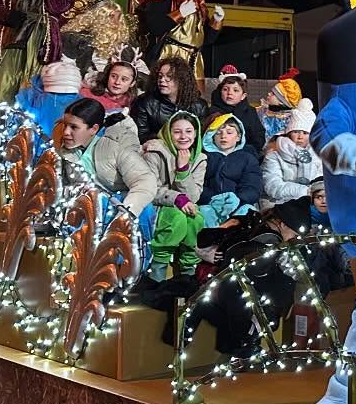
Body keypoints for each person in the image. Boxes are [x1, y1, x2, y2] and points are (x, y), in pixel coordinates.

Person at [58, 98, 159, 223]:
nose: (66, 132)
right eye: (65, 125)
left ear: (94, 129)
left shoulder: (116, 147)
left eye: (74, 127)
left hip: (117, 209)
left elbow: (145, 181)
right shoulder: (65, 152)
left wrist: (125, 214)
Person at [141, 112, 207, 280]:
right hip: (154, 205)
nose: (183, 136)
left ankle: (188, 272)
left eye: (189, 131)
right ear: (169, 133)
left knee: (196, 219)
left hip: (183, 204)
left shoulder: (199, 158)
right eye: (177, 132)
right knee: (176, 218)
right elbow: (148, 189)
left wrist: (183, 170)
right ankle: (157, 271)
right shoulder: (155, 152)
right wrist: (176, 198)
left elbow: (193, 196)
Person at [136, 0, 224, 83]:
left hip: (194, 60)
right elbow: (155, 28)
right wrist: (180, 13)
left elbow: (205, 40)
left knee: (194, 97)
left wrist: (216, 22)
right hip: (171, 56)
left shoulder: (199, 6)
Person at [261, 100, 321, 227]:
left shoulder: (318, 156)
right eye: (296, 131)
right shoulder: (274, 155)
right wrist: (306, 191)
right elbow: (273, 186)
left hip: (311, 204)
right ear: (289, 132)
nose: (300, 137)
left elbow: (322, 182)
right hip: (280, 205)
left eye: (305, 133)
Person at [198, 113, 262, 226]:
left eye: (229, 132)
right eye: (218, 132)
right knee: (203, 213)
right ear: (211, 136)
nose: (223, 136)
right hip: (211, 204)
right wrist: (211, 198)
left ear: (238, 137)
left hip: (239, 204)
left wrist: (238, 199)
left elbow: (252, 186)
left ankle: (239, 243)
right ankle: (209, 242)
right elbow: (197, 184)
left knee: (248, 212)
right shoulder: (203, 158)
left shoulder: (248, 158)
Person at [130, 57, 209, 144]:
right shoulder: (144, 102)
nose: (162, 80)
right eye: (160, 76)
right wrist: (170, 139)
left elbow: (201, 138)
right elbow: (140, 136)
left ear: (182, 79)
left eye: (169, 76)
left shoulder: (200, 106)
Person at [209, 65, 266, 156]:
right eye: (225, 89)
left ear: (243, 96)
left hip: (245, 154)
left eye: (235, 90)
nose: (230, 93)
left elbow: (258, 136)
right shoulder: (213, 112)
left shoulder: (250, 112)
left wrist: (248, 152)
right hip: (217, 154)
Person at [257, 68, 304, 145]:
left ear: (282, 101)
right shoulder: (263, 111)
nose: (269, 94)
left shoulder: (288, 119)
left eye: (273, 93)